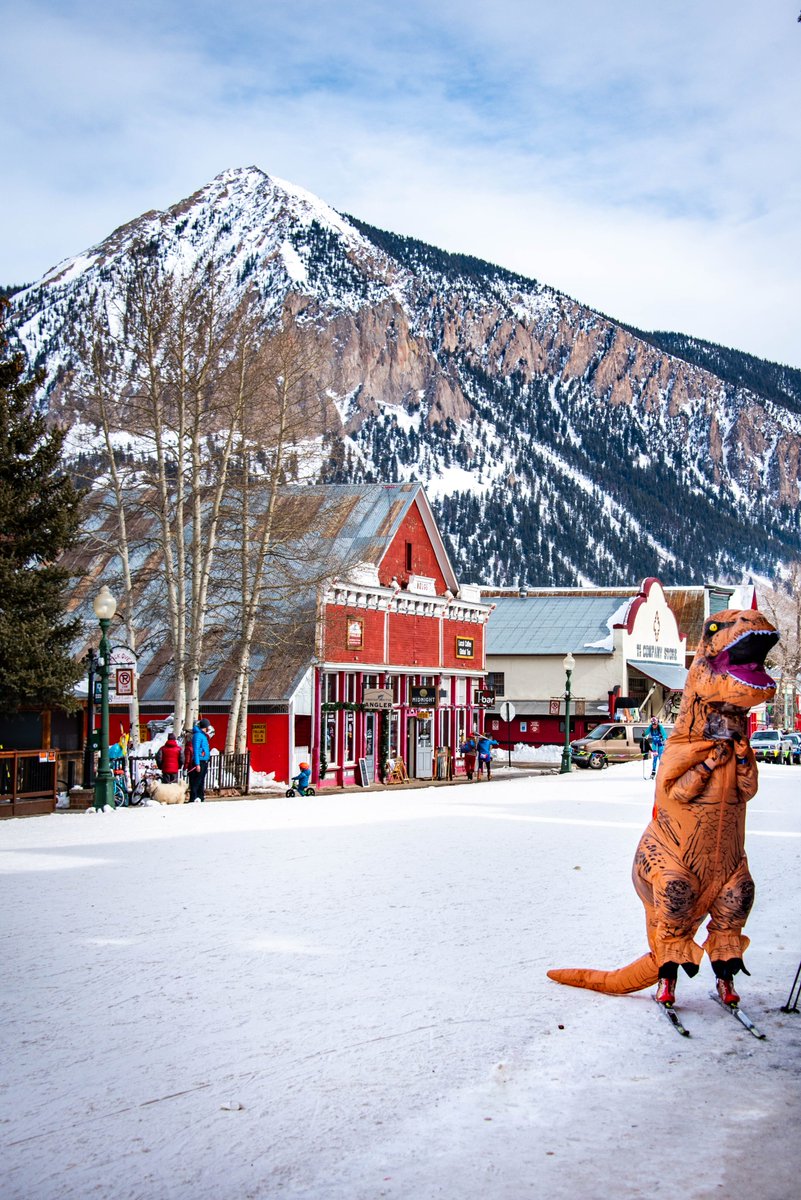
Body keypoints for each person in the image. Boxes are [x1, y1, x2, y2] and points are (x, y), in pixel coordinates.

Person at [188, 718, 214, 802]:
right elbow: (196, 749)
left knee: (201, 780)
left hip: (204, 760)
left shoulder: (202, 735)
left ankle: (201, 796)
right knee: (197, 781)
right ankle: (193, 797)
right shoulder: (198, 735)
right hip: (200, 761)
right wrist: (197, 763)